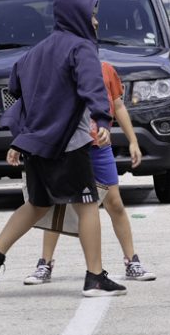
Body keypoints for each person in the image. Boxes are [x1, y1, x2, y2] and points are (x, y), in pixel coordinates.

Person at [0, 0, 127, 298]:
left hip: (36, 143)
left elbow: (17, 85)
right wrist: (100, 118)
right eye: (91, 16)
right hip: (68, 144)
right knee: (87, 205)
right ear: (77, 16)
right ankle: (95, 277)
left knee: (38, 203)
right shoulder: (81, 48)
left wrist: (22, 137)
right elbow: (93, 85)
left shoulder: (36, 51)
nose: (95, 22)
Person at [23, 60, 156, 286]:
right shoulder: (61, 69)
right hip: (70, 148)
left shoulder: (106, 69)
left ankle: (132, 260)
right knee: (58, 204)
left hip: (99, 149)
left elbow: (118, 106)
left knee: (114, 203)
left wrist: (133, 141)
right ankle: (44, 263)